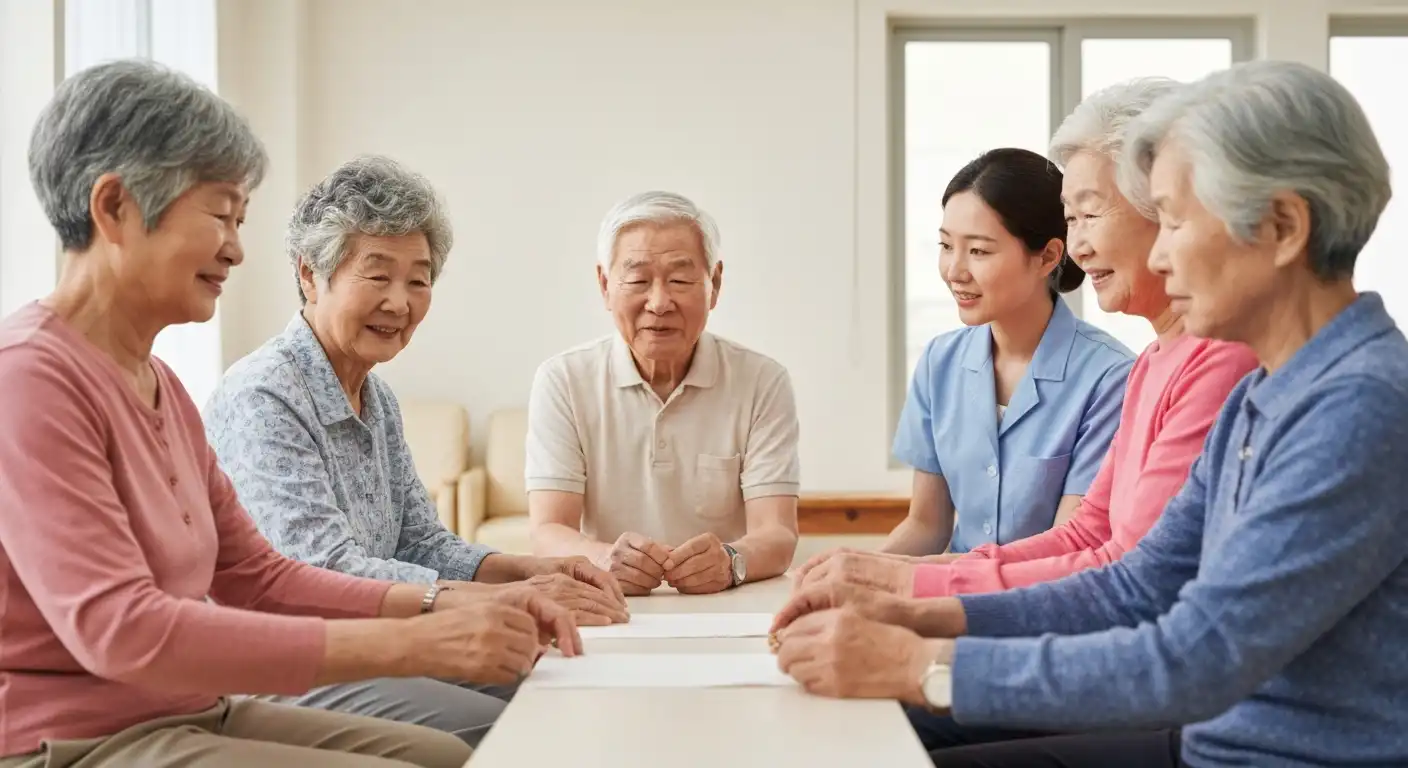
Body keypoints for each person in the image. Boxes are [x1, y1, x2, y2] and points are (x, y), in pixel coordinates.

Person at [772, 60, 1408, 768]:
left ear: (1284, 225)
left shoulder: (1361, 406)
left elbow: (1198, 654)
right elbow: (1134, 583)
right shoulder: (1269, 393)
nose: (1160, 256)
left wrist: (921, 664)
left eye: (1173, 222)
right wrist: (913, 612)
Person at [0, 60, 582, 768]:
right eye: (219, 214)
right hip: (73, 738)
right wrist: (421, 637)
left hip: (191, 706)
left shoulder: (162, 386)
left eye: (239, 220)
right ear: (115, 207)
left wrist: (452, 606)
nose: (238, 248)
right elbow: (123, 631)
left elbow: (262, 579)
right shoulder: (30, 379)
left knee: (446, 755)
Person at [204, 155, 627, 746]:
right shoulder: (263, 395)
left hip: (381, 637)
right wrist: (505, 597)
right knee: (523, 723)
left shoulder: (376, 397)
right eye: (377, 276)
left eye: (419, 280)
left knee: (564, 680)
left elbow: (419, 541)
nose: (400, 303)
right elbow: (320, 571)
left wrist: (529, 569)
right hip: (295, 662)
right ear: (308, 274)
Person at [795, 81, 1259, 613]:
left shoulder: (1202, 361)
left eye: (1089, 215)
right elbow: (1089, 535)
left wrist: (911, 599)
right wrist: (886, 575)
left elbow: (1131, 580)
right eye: (946, 246)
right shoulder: (1155, 362)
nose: (1080, 248)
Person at [798, 148, 1135, 596]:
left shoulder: (1110, 378)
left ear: (1049, 257)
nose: (954, 271)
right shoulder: (940, 362)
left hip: (1043, 611)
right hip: (944, 604)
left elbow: (1066, 549)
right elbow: (926, 525)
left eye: (978, 250)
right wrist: (859, 573)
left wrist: (896, 578)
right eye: (945, 245)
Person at [526, 191, 801, 595]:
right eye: (637, 280)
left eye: (680, 280)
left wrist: (730, 561)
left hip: (725, 606)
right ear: (605, 284)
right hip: (609, 601)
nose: (658, 302)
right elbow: (549, 530)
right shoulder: (564, 380)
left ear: (715, 283)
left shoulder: (762, 381)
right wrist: (604, 559)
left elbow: (777, 533)